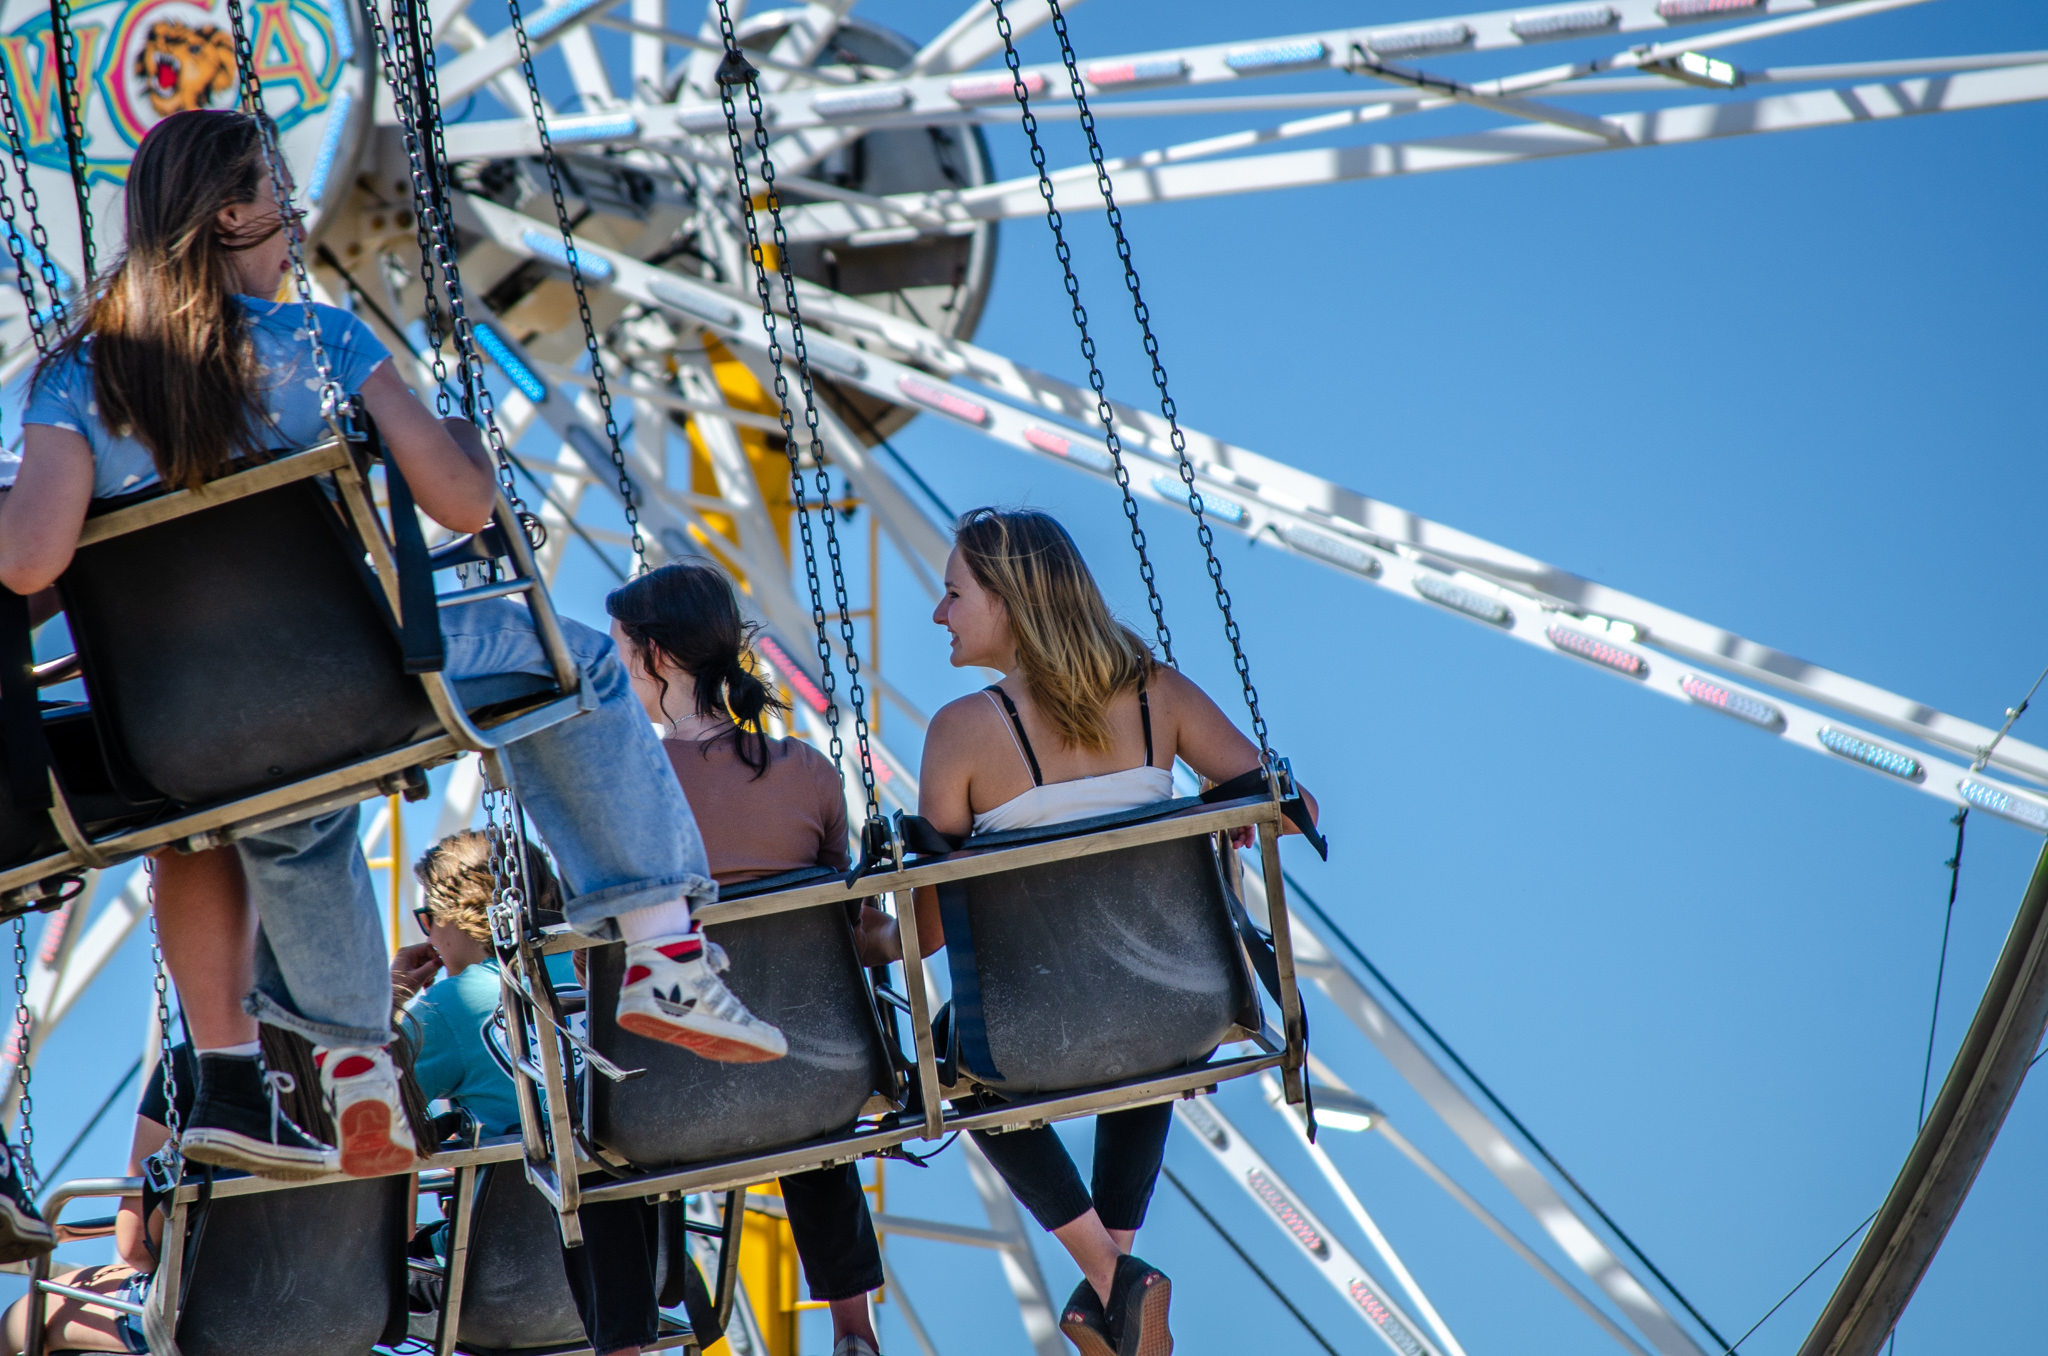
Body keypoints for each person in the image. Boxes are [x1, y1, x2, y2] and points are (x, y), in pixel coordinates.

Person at [0, 109, 784, 1184]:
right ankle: (662, 949)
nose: (296, 219)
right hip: (354, 685)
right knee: (580, 666)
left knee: (284, 808)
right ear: (232, 213)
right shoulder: (319, 344)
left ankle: (357, 1066)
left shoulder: (69, 383)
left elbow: (30, 560)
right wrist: (457, 442)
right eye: (281, 193)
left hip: (176, 738)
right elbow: (462, 505)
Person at [914, 508, 1318, 1356]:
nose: (937, 613)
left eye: (954, 594)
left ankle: (1112, 1272)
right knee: (1139, 1021)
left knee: (954, 1065)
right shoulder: (1156, 692)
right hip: (1186, 1014)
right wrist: (1222, 813)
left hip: (1033, 1034)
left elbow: (927, 931)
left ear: (1010, 602)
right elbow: (1291, 804)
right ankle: (1110, 1294)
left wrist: (870, 937)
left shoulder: (960, 732)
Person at [579, 559, 890, 1356]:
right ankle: (853, 1329)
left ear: (656, 656)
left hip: (654, 1103)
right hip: (812, 1080)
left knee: (585, 1142)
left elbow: (583, 957)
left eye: (619, 649)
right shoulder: (810, 774)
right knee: (804, 1058)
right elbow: (854, 935)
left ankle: (624, 1342)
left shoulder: (619, 784)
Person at [392, 830, 560, 1141]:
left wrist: (389, 1001)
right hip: (627, 1179)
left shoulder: (449, 1006)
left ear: (453, 915)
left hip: (519, 1185)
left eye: (428, 920)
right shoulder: (593, 967)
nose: (429, 939)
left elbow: (370, 1108)